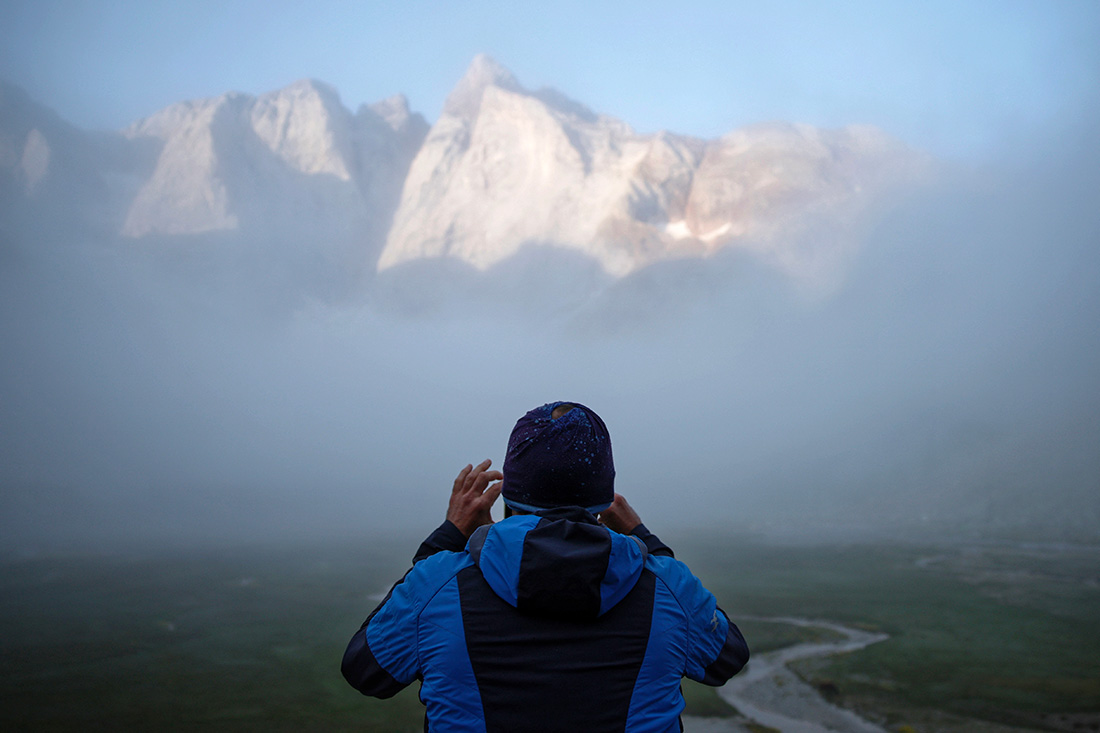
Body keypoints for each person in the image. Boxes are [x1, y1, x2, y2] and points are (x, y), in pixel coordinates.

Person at [342, 401, 749, 732]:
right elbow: (724, 659)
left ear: (509, 494)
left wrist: (448, 536)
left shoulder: (436, 582)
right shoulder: (666, 585)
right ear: (605, 495)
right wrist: (647, 542)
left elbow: (367, 671)